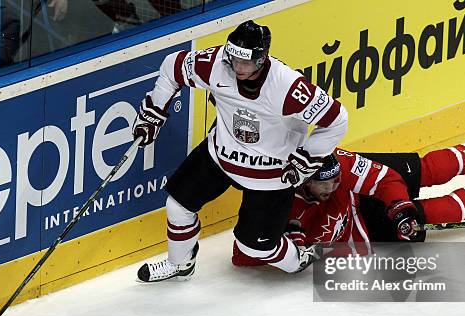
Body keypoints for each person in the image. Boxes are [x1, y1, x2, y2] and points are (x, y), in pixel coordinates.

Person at [132, 20, 348, 282]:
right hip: (221, 154)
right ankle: (180, 263)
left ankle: (298, 260)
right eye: (234, 59)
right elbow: (172, 67)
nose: (238, 68)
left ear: (262, 58)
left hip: (271, 174)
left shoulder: (287, 86)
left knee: (254, 247)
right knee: (177, 206)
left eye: (246, 62)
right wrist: (154, 111)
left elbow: (338, 119)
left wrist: (309, 157)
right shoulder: (216, 63)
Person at [232, 141, 465, 264]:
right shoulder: (275, 202)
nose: (332, 186)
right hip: (359, 229)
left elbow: (386, 181)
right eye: (324, 182)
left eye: (334, 179)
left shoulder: (340, 167)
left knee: (425, 172)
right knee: (431, 215)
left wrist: (399, 208)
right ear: (303, 180)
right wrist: (286, 247)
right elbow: (243, 254)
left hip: (363, 195)